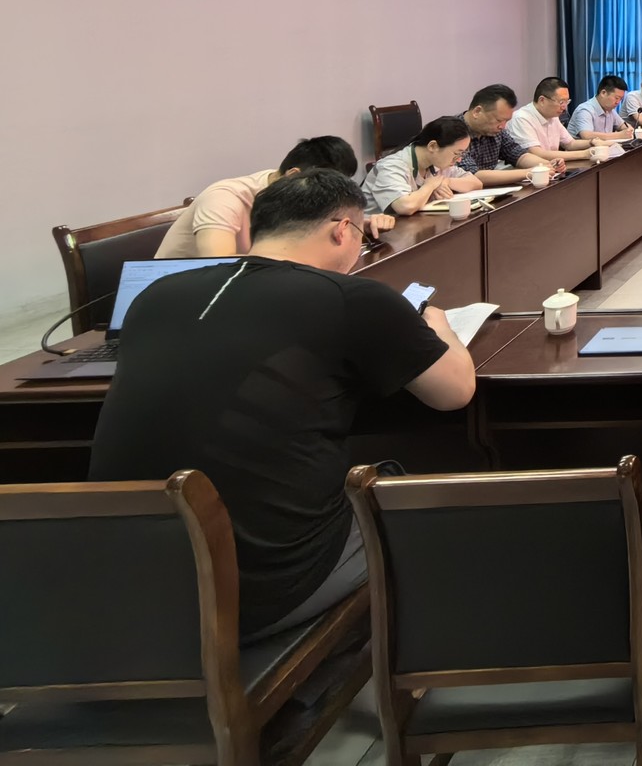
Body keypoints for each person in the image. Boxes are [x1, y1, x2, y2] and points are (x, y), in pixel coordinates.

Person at [89, 170, 476, 641]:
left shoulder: (154, 295)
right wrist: (439, 327)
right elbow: (455, 392)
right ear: (343, 230)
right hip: (255, 596)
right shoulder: (351, 298)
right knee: (410, 498)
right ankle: (397, 655)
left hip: (124, 585)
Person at [158, 136, 393, 258]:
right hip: (179, 299)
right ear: (293, 175)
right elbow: (220, 266)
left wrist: (358, 226)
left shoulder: (289, 192)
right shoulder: (225, 198)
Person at [363, 116, 480, 215]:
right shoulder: (392, 166)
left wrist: (446, 181)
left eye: (462, 154)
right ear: (433, 146)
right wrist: (430, 185)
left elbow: (476, 183)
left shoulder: (436, 162)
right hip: (374, 232)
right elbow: (405, 206)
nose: (459, 159)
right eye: (457, 153)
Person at [456, 84, 549, 186]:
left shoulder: (495, 131)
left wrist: (546, 165)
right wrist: (530, 172)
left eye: (506, 121)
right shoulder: (453, 132)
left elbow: (518, 154)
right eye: (499, 120)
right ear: (477, 112)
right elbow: (472, 175)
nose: (503, 126)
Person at [506, 77, 600, 164]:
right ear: (542, 100)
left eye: (567, 102)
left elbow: (570, 143)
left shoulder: (553, 116)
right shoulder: (521, 118)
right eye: (561, 102)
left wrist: (592, 142)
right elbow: (537, 153)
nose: (564, 107)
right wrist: (584, 154)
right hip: (530, 172)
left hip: (552, 167)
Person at [569, 74, 637, 141]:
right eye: (616, 98)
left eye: (621, 99)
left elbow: (622, 125)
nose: (618, 102)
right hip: (585, 148)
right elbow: (586, 135)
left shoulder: (610, 110)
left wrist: (628, 129)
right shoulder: (585, 110)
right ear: (603, 93)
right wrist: (619, 135)